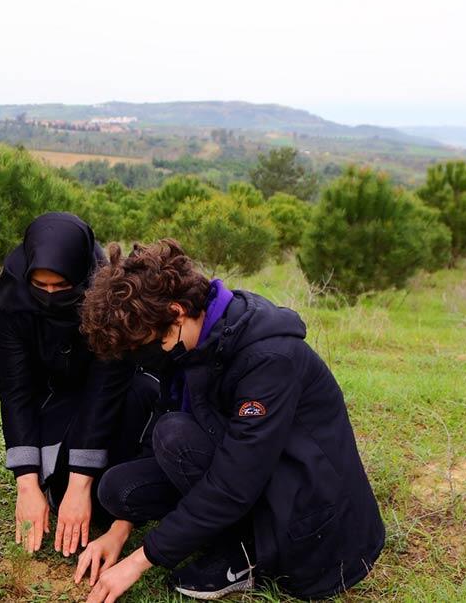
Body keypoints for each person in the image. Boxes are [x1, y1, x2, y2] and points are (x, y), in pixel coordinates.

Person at [76, 240, 385, 601]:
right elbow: (167, 425)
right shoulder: (197, 337)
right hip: (247, 464)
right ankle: (225, 533)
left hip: (308, 511)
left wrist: (139, 561)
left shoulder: (269, 359)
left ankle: (245, 552)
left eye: (148, 343)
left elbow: (234, 483)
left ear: (176, 311)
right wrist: (120, 529)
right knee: (121, 489)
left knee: (174, 434)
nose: (146, 355)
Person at [0, 213, 158, 557]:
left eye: (62, 287)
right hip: (57, 398)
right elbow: (16, 389)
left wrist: (80, 482)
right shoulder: (15, 303)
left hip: (117, 395)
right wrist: (25, 482)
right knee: (53, 489)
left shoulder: (108, 296)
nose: (51, 296)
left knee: (101, 496)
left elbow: (104, 389)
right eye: (41, 287)